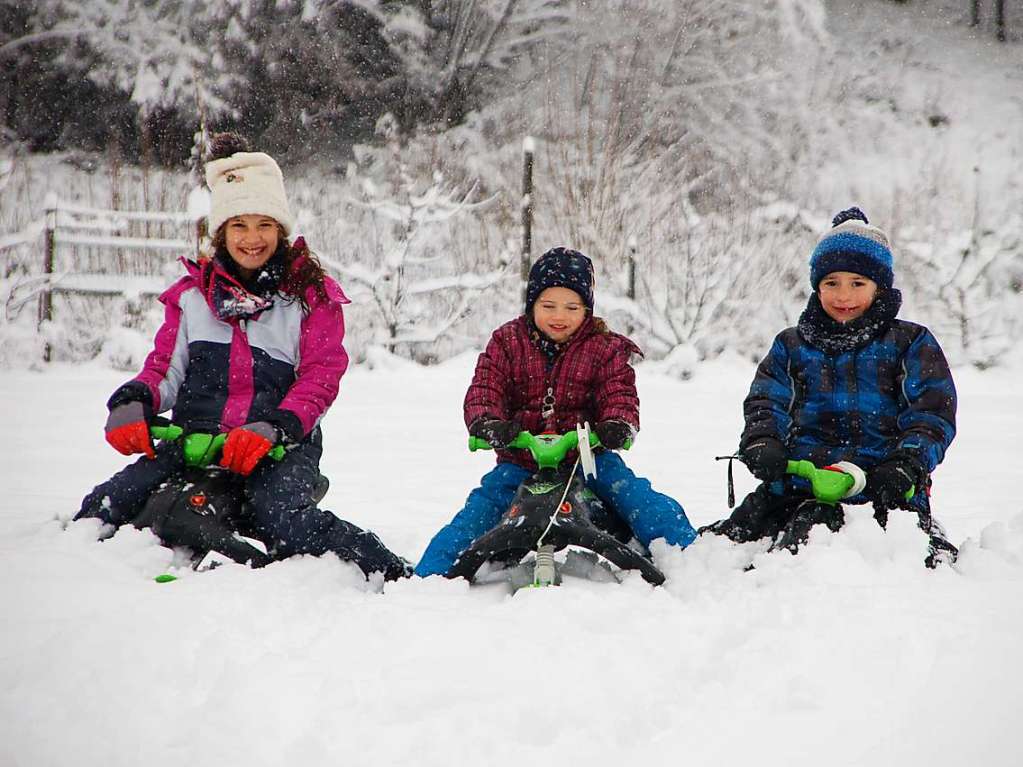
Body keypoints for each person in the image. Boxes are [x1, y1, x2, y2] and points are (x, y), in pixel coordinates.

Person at [75, 132, 408, 580]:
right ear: (221, 233)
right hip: (196, 438)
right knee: (105, 506)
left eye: (264, 225)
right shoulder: (191, 298)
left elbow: (320, 377)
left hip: (280, 444)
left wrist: (276, 427)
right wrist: (133, 401)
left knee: (284, 521)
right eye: (239, 226)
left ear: (282, 231)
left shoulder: (309, 299)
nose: (253, 239)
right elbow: (165, 368)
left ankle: (390, 570)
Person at [415, 247, 696, 578]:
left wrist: (616, 424)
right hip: (521, 459)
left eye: (571, 307)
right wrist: (488, 422)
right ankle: (428, 577)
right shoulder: (508, 342)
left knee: (635, 497)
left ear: (587, 309)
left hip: (588, 459)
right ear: (532, 304)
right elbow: (486, 387)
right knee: (480, 511)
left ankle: (690, 558)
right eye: (548, 306)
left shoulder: (603, 347)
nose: (558, 316)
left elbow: (618, 391)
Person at [701, 207, 958, 567]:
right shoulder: (792, 345)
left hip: (882, 485)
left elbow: (932, 412)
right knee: (726, 545)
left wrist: (908, 462)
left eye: (857, 284)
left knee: (888, 550)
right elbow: (766, 402)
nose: (843, 295)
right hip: (800, 481)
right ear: (817, 286)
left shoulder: (910, 342)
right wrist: (763, 441)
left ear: (879, 287)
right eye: (831, 283)